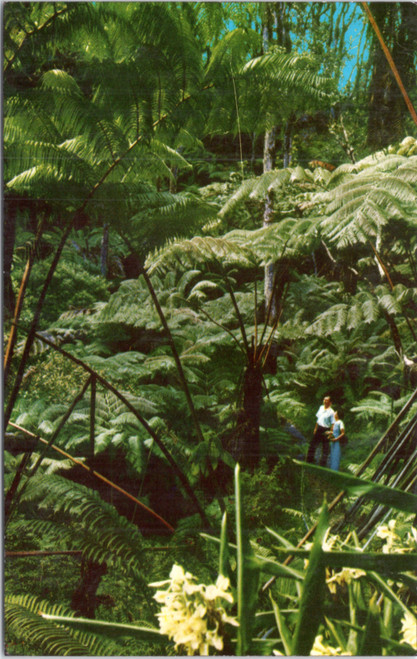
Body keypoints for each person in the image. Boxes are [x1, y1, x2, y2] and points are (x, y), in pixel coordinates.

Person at [306, 395, 335, 466]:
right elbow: (318, 419)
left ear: (330, 402)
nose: (325, 401)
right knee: (313, 444)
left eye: (327, 400)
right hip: (319, 428)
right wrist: (315, 428)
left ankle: (322, 464)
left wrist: (330, 433)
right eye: (324, 400)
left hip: (326, 430)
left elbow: (333, 423)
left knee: (325, 448)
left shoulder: (331, 412)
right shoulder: (321, 408)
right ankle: (309, 460)